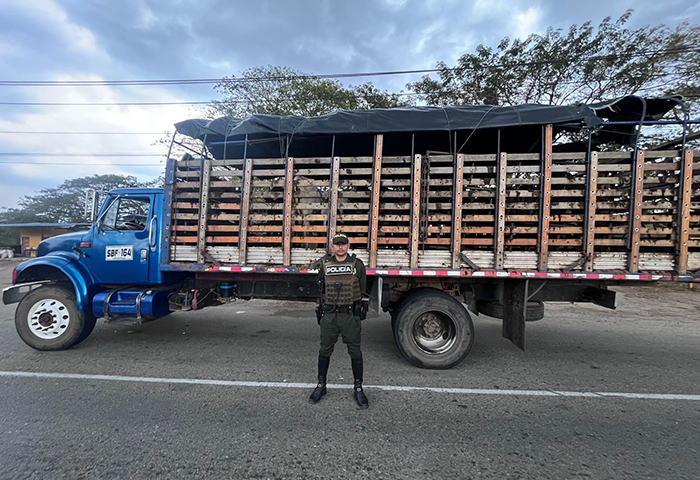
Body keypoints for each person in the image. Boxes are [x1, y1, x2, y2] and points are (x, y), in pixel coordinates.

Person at [309, 233, 369, 408]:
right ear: (332, 246)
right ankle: (321, 385)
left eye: (343, 244)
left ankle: (358, 388)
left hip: (350, 315)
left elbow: (362, 288)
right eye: (337, 244)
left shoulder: (357, 265)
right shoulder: (324, 264)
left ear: (348, 245)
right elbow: (321, 287)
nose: (340, 247)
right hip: (329, 315)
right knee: (324, 350)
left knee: (355, 352)